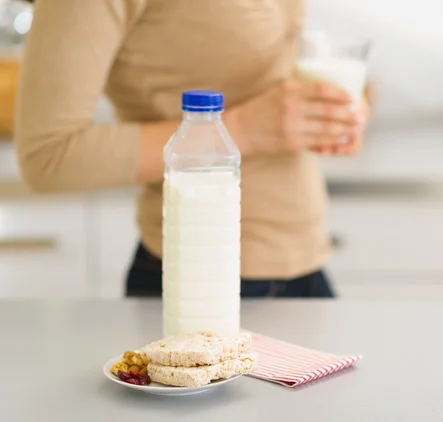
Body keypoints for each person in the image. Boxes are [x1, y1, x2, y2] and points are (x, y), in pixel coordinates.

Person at [15, 0, 369, 298]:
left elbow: (268, 77)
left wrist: (327, 113)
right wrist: (244, 129)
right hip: (199, 280)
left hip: (308, 266)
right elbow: (47, 156)